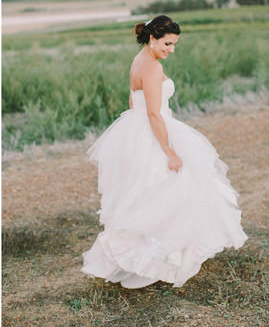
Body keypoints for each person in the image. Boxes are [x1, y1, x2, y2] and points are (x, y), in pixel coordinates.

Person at [82, 15, 247, 289]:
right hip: (153, 131)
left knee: (146, 193)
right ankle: (158, 257)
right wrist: (169, 150)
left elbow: (133, 99)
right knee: (168, 190)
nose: (171, 49)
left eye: (174, 44)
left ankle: (158, 254)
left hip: (137, 129)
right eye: (167, 44)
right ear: (152, 38)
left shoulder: (140, 59)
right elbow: (152, 113)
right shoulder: (152, 68)